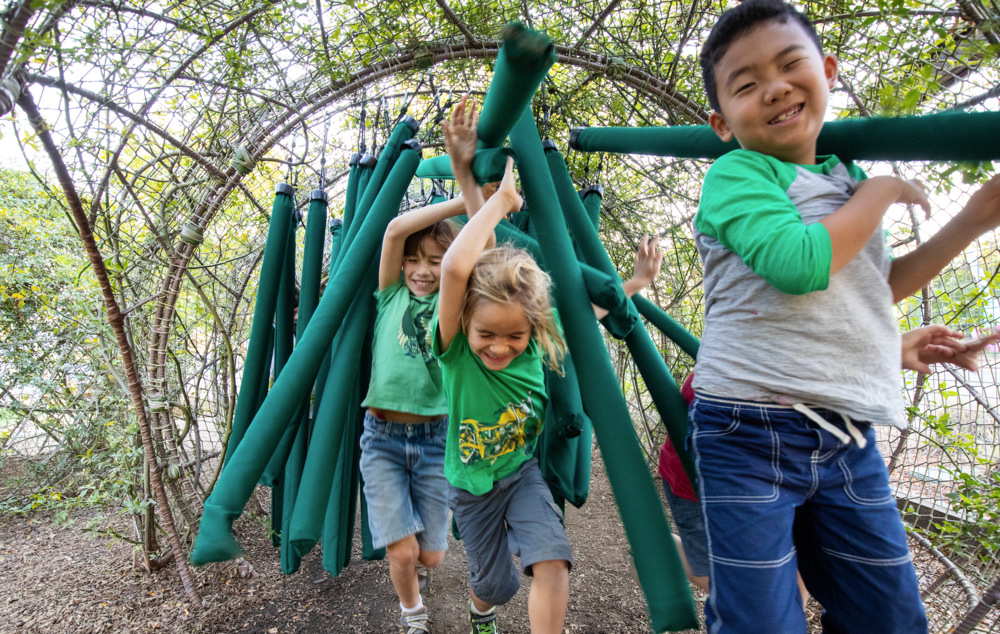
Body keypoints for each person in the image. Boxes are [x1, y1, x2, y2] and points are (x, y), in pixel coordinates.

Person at [690, 1, 1000, 631]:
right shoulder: (739, 173)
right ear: (723, 122)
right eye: (747, 84)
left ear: (827, 71)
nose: (774, 87)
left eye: (789, 64)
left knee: (890, 616)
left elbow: (876, 287)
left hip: (848, 436)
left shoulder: (844, 179)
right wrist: (882, 193)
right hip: (748, 431)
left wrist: (970, 220)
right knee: (764, 624)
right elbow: (799, 264)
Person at [658, 326, 998, 597]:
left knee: (796, 585)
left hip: (776, 481)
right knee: (719, 579)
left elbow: (823, 362)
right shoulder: (734, 361)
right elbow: (802, 368)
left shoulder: (800, 345)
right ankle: (661, 548)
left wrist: (903, 349)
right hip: (693, 483)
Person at [358, 95, 495, 634]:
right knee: (401, 551)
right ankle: (413, 616)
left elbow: (477, 253)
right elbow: (394, 231)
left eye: (435, 262)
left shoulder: (457, 308)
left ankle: (421, 571)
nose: (420, 269)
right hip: (382, 437)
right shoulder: (390, 296)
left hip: (438, 441)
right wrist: (459, 208)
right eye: (416, 261)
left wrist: (475, 207)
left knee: (431, 557)